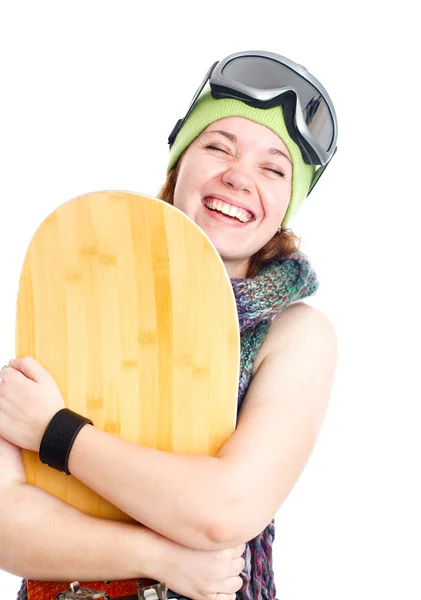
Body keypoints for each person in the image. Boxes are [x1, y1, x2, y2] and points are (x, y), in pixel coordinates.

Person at [0, 50, 338, 600]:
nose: (238, 177)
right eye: (217, 147)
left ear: (286, 206)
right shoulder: (74, 287)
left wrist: (52, 431)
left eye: (273, 169)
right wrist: (160, 556)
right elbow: (5, 525)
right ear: (179, 163)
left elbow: (225, 511)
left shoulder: (294, 335)